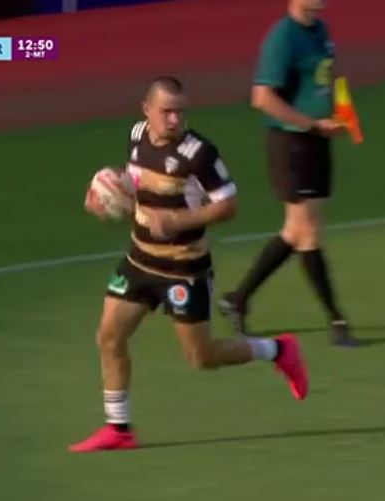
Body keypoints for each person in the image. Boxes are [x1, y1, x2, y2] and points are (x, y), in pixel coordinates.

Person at [71, 76, 309, 453]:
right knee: (109, 336)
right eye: (166, 111)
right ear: (146, 110)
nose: (174, 119)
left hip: (184, 269)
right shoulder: (136, 136)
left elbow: (228, 205)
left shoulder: (199, 154)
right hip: (139, 260)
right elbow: (138, 180)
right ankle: (119, 429)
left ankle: (278, 350)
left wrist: (178, 221)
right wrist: (111, 192)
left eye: (180, 112)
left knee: (202, 357)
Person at [219, 0, 358, 347]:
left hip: (317, 141)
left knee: (295, 231)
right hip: (291, 144)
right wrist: (311, 124)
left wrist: (340, 114)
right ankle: (337, 319)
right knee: (309, 233)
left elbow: (326, 78)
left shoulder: (320, 29)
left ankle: (238, 299)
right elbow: (262, 98)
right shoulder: (282, 38)